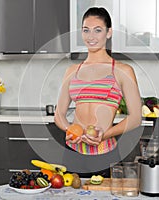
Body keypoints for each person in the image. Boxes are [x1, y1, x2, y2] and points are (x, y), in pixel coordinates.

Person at [54, 7, 141, 176]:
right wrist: (70, 130)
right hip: (72, 152)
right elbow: (59, 114)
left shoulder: (122, 70)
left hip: (105, 153)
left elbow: (136, 118)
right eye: (86, 30)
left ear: (108, 33)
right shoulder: (72, 70)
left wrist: (105, 135)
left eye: (97, 30)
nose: (91, 36)